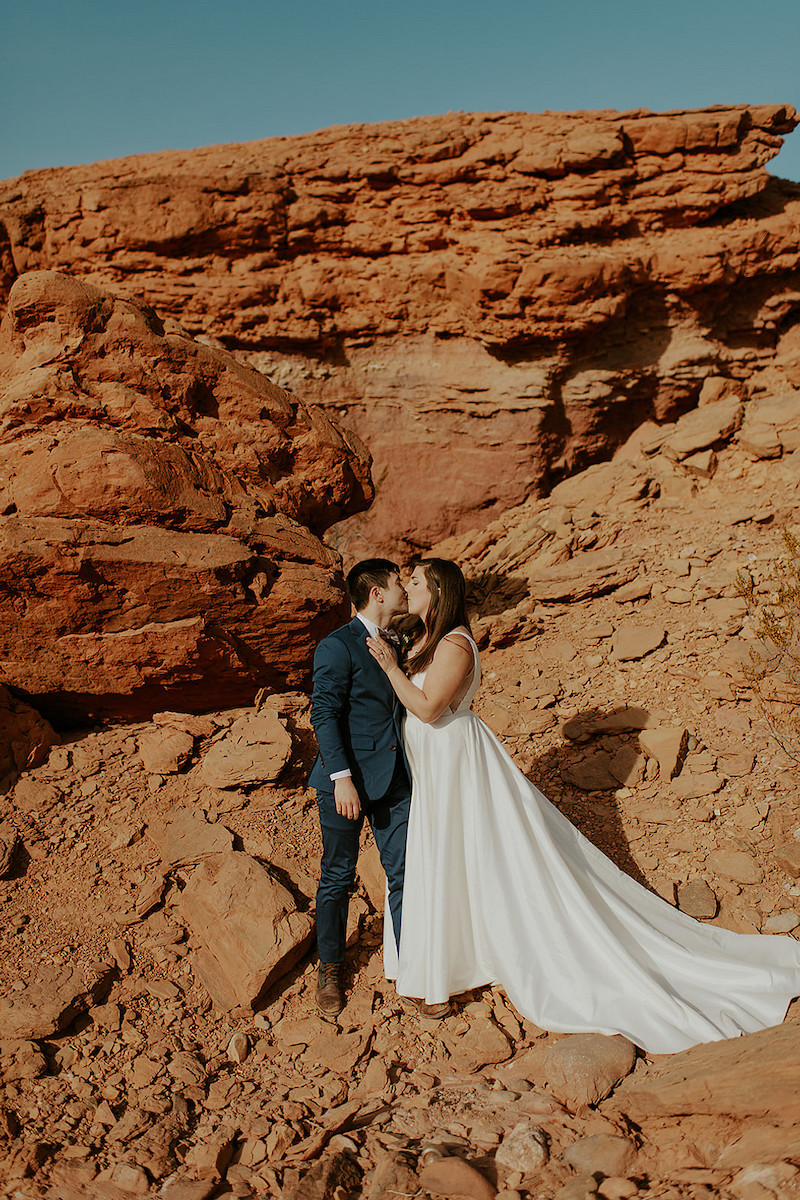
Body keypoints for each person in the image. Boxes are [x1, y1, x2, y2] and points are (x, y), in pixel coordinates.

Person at [367, 557, 800, 1054]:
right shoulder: (424, 640)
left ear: (438, 591)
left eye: (417, 581)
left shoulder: (455, 643)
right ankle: (454, 960)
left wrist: (391, 669)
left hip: (457, 762)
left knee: (478, 857)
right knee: (454, 860)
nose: (410, 587)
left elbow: (427, 707)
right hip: (436, 768)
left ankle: (462, 967)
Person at [309, 559, 412, 1018]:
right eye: (397, 582)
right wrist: (342, 779)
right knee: (337, 875)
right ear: (376, 594)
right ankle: (329, 967)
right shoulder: (336, 646)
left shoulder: (400, 639)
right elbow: (323, 715)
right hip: (346, 783)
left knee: (407, 873)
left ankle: (414, 966)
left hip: (395, 780)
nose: (404, 587)